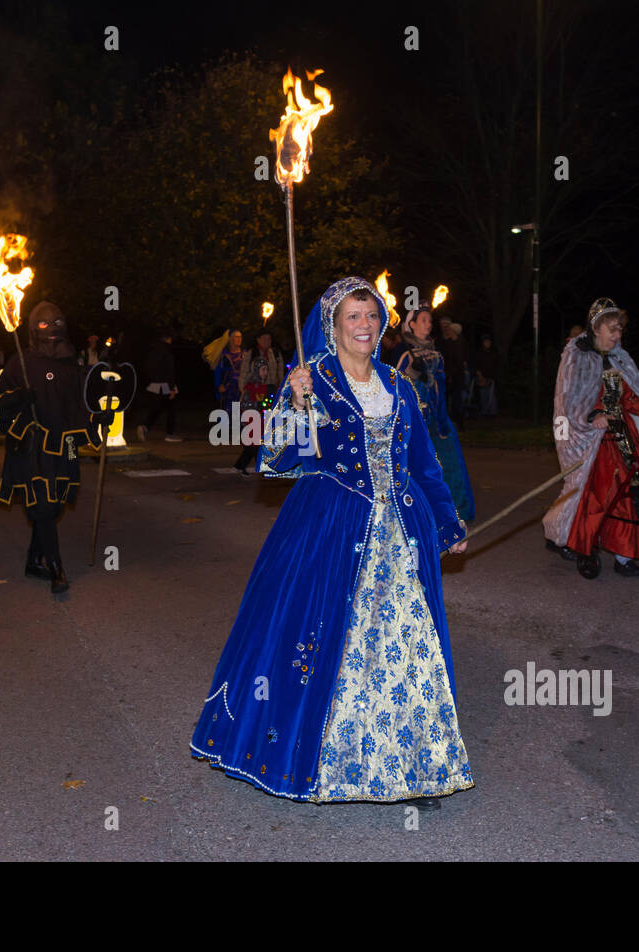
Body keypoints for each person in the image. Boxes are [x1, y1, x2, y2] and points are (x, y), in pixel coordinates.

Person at [191, 276, 471, 805]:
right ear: (333, 327)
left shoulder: (399, 385)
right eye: (353, 318)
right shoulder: (309, 381)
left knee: (402, 643)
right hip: (330, 528)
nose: (364, 326)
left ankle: (408, 761)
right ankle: (326, 760)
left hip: (400, 535)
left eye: (371, 316)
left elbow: (423, 465)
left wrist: (447, 522)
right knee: (325, 644)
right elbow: (274, 461)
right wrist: (295, 406)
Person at [542, 298, 639, 576]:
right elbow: (570, 399)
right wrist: (593, 417)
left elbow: (630, 398)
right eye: (612, 329)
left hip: (623, 436)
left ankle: (632, 550)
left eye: (619, 330)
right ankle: (619, 554)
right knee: (609, 494)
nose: (617, 335)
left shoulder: (618, 358)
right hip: (597, 439)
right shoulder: (577, 356)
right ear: (596, 327)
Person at [0, 302, 108, 596]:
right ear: (33, 329)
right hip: (33, 445)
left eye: (57, 322)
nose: (52, 328)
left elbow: (81, 404)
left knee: (54, 507)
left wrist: (99, 418)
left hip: (65, 445)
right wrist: (20, 397)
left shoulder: (72, 363)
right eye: (44, 324)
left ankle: (33, 560)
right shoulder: (22, 361)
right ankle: (57, 569)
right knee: (42, 505)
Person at [388, 308, 475, 522]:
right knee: (419, 466)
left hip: (437, 418)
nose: (428, 324)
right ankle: (419, 512)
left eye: (430, 320)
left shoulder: (437, 353)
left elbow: (442, 384)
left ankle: (453, 510)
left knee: (447, 461)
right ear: (412, 325)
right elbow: (393, 387)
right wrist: (413, 376)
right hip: (415, 419)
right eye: (423, 320)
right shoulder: (405, 354)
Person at [233, 330, 284, 474]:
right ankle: (245, 463)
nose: (267, 341)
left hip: (269, 389)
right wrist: (243, 390)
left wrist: (280, 388)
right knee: (255, 439)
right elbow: (244, 371)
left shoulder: (275, 353)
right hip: (256, 395)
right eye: (264, 338)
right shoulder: (252, 353)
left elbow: (279, 371)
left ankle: (260, 462)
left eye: (269, 338)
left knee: (263, 436)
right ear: (258, 340)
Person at [138, 330, 179, 442]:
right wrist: (172, 388)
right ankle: (169, 434)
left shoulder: (152, 351)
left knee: (157, 407)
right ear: (169, 339)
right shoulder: (167, 352)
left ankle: (145, 427)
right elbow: (169, 371)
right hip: (165, 385)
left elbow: (147, 368)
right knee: (170, 408)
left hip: (153, 385)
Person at [438, 319, 468, 429]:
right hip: (448, 375)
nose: (447, 331)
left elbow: (459, 361)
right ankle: (448, 422)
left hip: (457, 376)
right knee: (446, 399)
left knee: (457, 399)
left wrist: (452, 374)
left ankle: (460, 423)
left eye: (450, 329)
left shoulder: (460, 344)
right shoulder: (448, 343)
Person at [208, 329, 245, 410]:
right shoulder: (224, 355)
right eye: (236, 337)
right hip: (228, 390)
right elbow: (218, 372)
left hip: (241, 389)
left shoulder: (245, 354)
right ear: (230, 339)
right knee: (226, 415)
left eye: (240, 337)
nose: (239, 339)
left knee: (238, 416)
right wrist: (218, 386)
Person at [474, 333, 499, 418]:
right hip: (481, 376)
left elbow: (496, 364)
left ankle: (492, 412)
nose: (487, 343)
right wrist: (479, 374)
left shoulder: (494, 352)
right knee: (483, 394)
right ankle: (484, 412)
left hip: (491, 376)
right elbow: (476, 364)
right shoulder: (479, 352)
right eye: (485, 342)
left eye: (488, 341)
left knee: (492, 395)